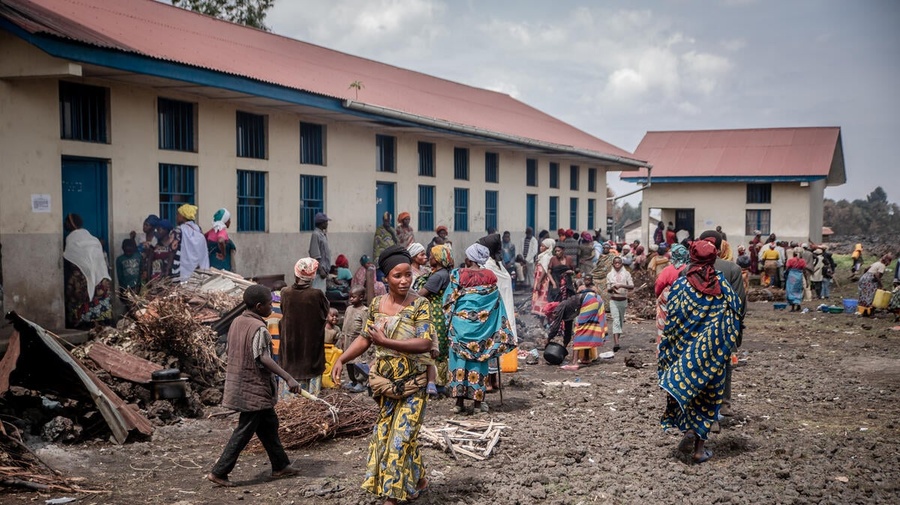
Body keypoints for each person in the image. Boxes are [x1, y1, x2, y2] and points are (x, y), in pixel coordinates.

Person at [330, 245, 433, 505]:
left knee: (399, 441)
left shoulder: (420, 304)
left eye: (408, 274)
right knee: (389, 435)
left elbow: (424, 343)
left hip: (414, 384)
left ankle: (392, 497)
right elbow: (366, 339)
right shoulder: (376, 304)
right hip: (385, 385)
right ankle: (419, 479)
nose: (404, 280)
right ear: (385, 278)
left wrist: (386, 343)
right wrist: (342, 358)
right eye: (397, 276)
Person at [206, 285, 300, 487]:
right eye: (269, 304)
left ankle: (280, 465)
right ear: (259, 306)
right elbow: (264, 358)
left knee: (269, 424)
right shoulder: (259, 328)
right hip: (253, 387)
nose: (272, 307)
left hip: (240, 382)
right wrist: (288, 378)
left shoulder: (237, 322)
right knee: (244, 430)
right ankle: (219, 471)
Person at [658, 239, 741, 465]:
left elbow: (671, 320)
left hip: (684, 353)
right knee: (708, 398)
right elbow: (736, 313)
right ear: (713, 259)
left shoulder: (680, 286)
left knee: (689, 393)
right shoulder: (722, 286)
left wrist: (672, 348)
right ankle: (699, 448)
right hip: (712, 354)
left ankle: (688, 431)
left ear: (692, 258)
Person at [443, 243, 516, 414]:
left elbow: (448, 299)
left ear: (469, 258)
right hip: (483, 329)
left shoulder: (458, 275)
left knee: (459, 362)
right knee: (478, 362)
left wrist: (451, 319)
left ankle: (459, 403)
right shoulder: (490, 276)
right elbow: (495, 300)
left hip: (460, 327)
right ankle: (477, 404)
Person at [280, 258, 330, 395]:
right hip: (311, 353)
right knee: (310, 404)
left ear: (295, 274)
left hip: (290, 352)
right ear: (313, 277)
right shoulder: (317, 295)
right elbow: (325, 312)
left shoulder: (285, 293)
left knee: (289, 405)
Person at [415, 244, 454, 395]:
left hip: (435, 313)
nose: (429, 258)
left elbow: (420, 295)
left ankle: (436, 384)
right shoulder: (445, 273)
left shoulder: (438, 276)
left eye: (431, 256)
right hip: (442, 311)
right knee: (441, 349)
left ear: (437, 259)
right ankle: (439, 383)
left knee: (435, 348)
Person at [63, 213, 113, 329]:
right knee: (98, 295)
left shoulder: (71, 238)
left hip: (81, 277)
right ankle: (100, 323)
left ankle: (80, 323)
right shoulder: (91, 238)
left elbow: (70, 257)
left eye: (66, 222)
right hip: (99, 276)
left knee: (74, 293)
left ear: (71, 224)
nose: (65, 224)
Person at [547, 280, 606, 371]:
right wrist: (564, 347)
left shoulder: (558, 309)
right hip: (596, 299)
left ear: (552, 312)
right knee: (587, 331)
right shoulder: (566, 311)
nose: (552, 318)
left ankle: (574, 363)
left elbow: (555, 327)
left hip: (588, 300)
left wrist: (548, 340)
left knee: (579, 332)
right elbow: (567, 331)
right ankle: (586, 358)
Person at [654, 244, 689, 350]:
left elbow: (659, 285)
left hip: (667, 299)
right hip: (685, 297)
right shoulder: (689, 269)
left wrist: (658, 296)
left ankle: (663, 350)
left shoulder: (668, 270)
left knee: (664, 324)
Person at [340, 286, 371, 393]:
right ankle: (352, 380)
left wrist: (363, 339)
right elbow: (345, 325)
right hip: (347, 338)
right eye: (350, 297)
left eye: (354, 297)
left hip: (357, 340)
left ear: (361, 297)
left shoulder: (364, 311)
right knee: (348, 361)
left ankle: (361, 382)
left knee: (358, 362)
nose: (351, 299)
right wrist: (343, 337)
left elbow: (365, 328)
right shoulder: (349, 309)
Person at [174, 204, 210, 282]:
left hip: (184, 269)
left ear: (183, 216)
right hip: (199, 269)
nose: (176, 217)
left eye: (178, 214)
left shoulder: (178, 230)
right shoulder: (198, 229)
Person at [606, 256, 634, 352]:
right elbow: (608, 288)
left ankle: (617, 338)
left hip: (623, 300)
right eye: (615, 263)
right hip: (613, 300)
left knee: (621, 321)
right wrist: (612, 288)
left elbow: (631, 286)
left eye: (619, 263)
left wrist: (621, 285)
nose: (617, 264)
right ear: (613, 264)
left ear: (621, 264)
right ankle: (616, 343)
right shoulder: (610, 275)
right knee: (616, 320)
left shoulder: (626, 274)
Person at [531, 238, 556, 318]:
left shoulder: (545, 257)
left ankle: (543, 314)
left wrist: (539, 282)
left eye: (543, 246)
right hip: (540, 279)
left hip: (542, 280)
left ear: (548, 248)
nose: (541, 248)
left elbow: (545, 270)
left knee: (542, 297)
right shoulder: (544, 256)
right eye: (540, 246)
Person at [308, 212, 332, 293]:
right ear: (322, 223)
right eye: (326, 222)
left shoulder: (322, 234)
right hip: (319, 272)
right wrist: (321, 269)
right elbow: (314, 255)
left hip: (324, 272)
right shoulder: (316, 234)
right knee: (317, 293)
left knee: (322, 294)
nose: (327, 223)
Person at [115, 238, 142, 306]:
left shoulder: (139, 257)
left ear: (133, 249)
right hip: (125, 288)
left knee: (137, 305)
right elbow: (120, 276)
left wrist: (138, 285)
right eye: (126, 251)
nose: (128, 253)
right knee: (128, 305)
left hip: (137, 287)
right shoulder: (120, 259)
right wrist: (125, 288)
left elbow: (141, 271)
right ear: (123, 249)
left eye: (130, 251)